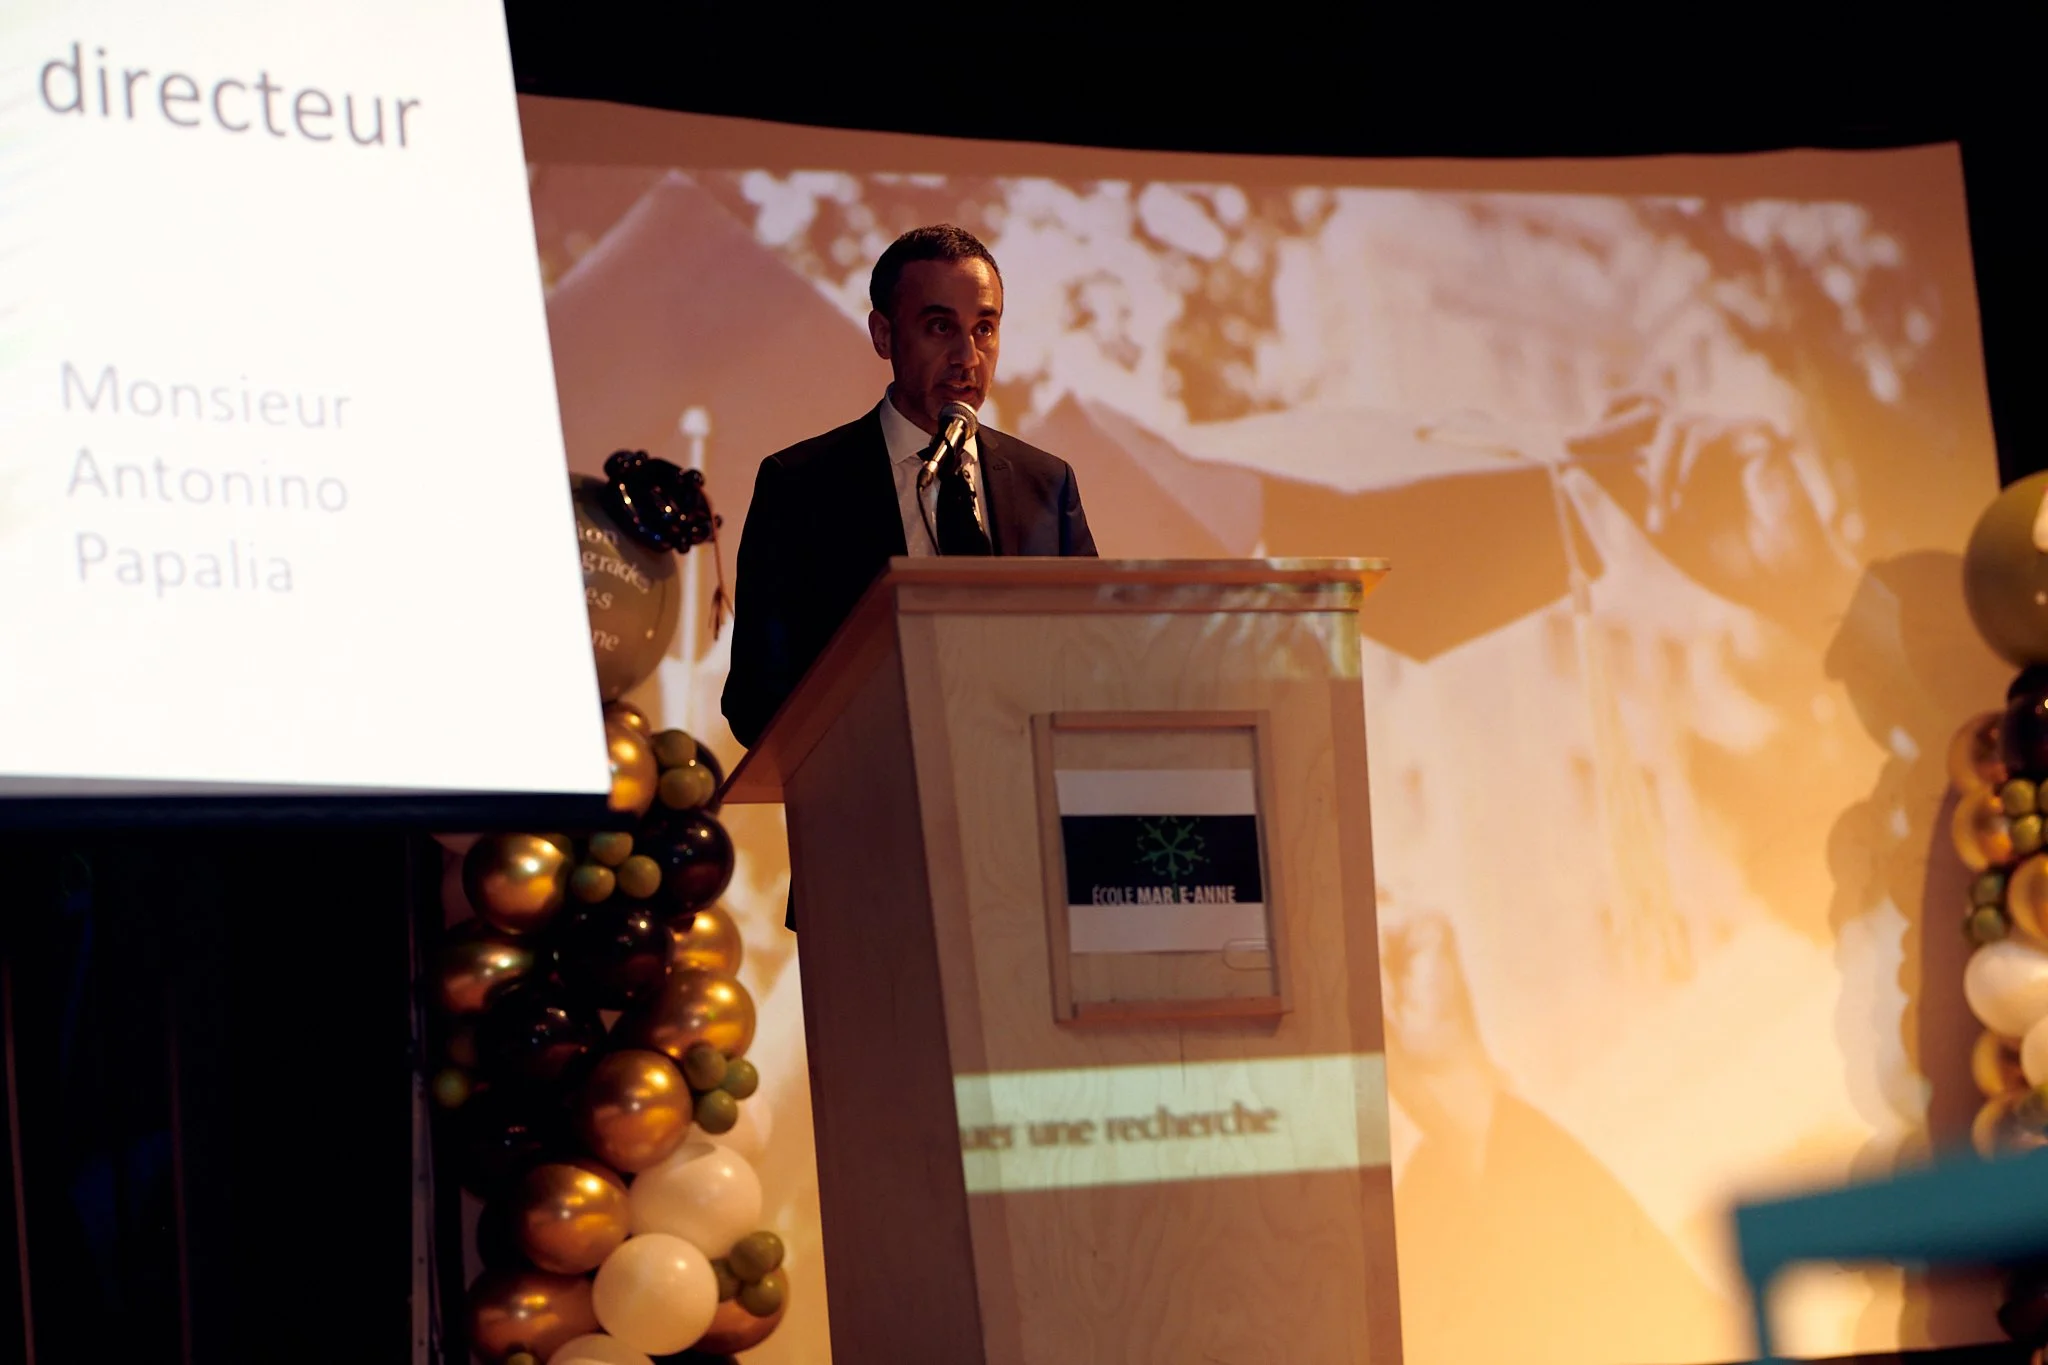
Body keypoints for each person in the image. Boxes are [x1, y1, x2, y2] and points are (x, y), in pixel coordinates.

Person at [721, 225, 1097, 750]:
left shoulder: (1047, 483)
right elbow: (755, 701)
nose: (968, 356)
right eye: (941, 327)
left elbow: (1095, 660)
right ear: (883, 334)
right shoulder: (801, 487)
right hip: (871, 800)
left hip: (1022, 796)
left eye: (984, 329)